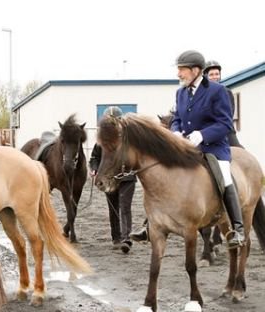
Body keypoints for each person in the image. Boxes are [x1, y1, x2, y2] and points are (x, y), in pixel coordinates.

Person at [133, 50, 244, 249]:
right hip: (186, 148)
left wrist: (202, 135)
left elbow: (225, 124)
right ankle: (149, 224)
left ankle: (237, 228)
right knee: (162, 174)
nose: (178, 74)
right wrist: (175, 132)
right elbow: (176, 118)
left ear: (195, 70)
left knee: (225, 176)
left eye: (181, 70)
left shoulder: (217, 91)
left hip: (214, 147)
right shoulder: (181, 92)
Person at [89, 106, 136, 254]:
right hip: (109, 178)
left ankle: (126, 238)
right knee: (113, 208)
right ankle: (116, 238)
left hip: (127, 176)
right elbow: (94, 158)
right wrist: (94, 169)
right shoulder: (101, 141)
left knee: (124, 206)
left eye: (115, 121)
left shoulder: (130, 139)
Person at [203, 60, 243, 148]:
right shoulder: (202, 94)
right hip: (205, 131)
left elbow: (229, 115)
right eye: (211, 74)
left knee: (240, 150)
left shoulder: (227, 92)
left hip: (225, 130)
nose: (215, 77)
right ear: (206, 76)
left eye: (217, 74)